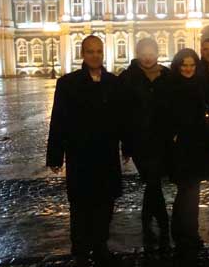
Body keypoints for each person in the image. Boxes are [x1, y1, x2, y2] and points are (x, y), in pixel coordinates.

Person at [46, 35, 124, 267]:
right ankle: (80, 250)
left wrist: (127, 145)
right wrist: (55, 155)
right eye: (90, 51)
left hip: (107, 153)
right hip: (80, 154)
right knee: (80, 205)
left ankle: (100, 246)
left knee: (105, 203)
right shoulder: (68, 83)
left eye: (99, 51)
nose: (95, 55)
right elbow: (58, 120)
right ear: (83, 54)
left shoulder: (113, 82)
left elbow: (123, 119)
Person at [119, 38, 171, 252]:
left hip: (162, 140)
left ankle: (147, 220)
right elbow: (121, 113)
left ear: (158, 53)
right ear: (138, 54)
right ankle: (163, 223)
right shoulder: (127, 77)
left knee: (153, 181)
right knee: (152, 180)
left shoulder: (167, 76)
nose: (148, 57)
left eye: (151, 52)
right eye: (144, 53)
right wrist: (126, 145)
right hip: (139, 140)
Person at [167, 49, 209, 264]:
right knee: (185, 192)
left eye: (191, 65)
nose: (188, 69)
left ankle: (189, 233)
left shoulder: (199, 85)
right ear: (178, 65)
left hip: (197, 146)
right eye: (184, 65)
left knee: (192, 192)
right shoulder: (172, 86)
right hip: (181, 147)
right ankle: (183, 234)